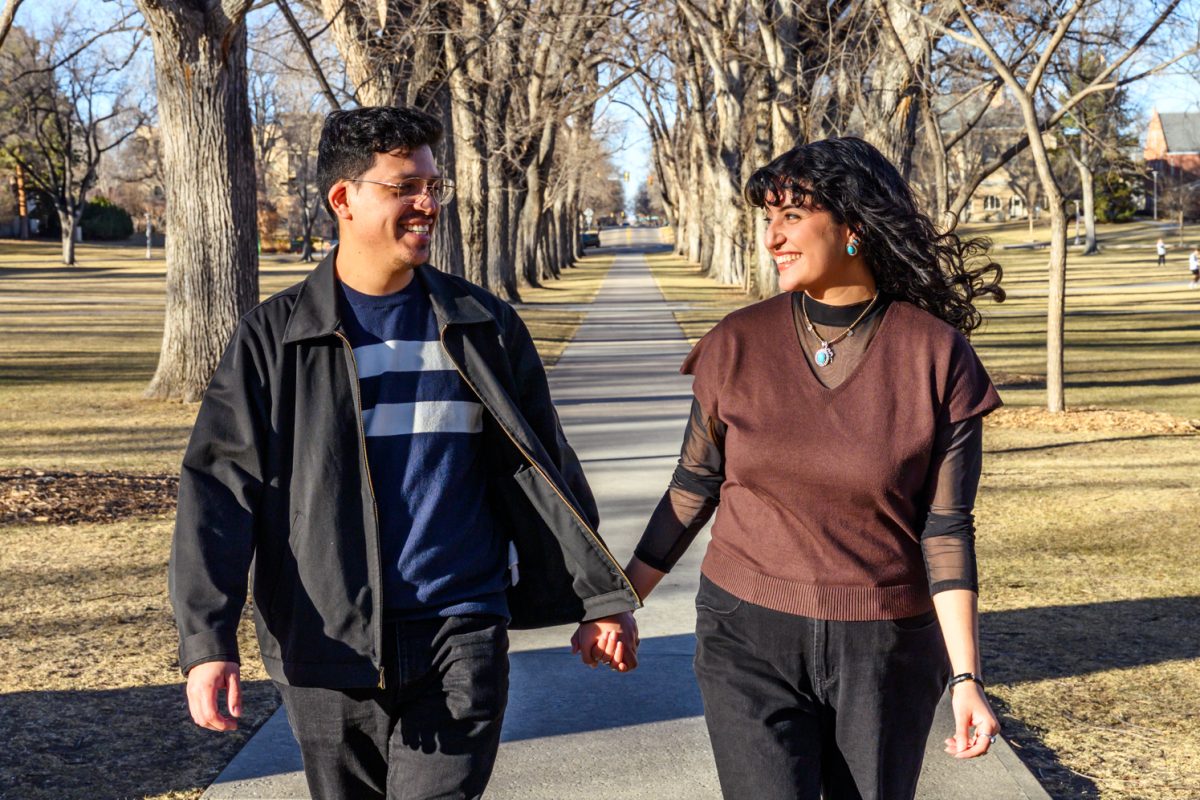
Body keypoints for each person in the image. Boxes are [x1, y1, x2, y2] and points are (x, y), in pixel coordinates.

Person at [170, 105, 639, 800]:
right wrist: (207, 644)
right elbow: (217, 491)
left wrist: (600, 597)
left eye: (433, 186)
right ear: (344, 198)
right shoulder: (274, 338)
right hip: (326, 642)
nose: (427, 204)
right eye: (405, 187)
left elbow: (545, 465)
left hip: (462, 626)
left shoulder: (483, 325)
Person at [582, 137, 1006, 799]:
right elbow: (693, 486)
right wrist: (620, 601)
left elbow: (946, 529)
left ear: (853, 226)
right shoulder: (737, 343)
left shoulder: (936, 356)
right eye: (768, 218)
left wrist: (966, 679)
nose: (772, 237)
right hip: (745, 634)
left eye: (793, 216)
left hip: (884, 649)